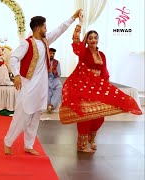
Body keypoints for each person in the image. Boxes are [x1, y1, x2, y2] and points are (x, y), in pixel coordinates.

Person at [59, 12, 142, 152]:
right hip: (84, 87)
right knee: (85, 114)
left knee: (99, 116)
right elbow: (75, 41)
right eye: (90, 38)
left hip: (98, 86)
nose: (93, 40)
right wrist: (79, 24)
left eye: (95, 38)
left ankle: (92, 139)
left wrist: (107, 86)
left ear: (98, 39)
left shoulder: (101, 54)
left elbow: (104, 71)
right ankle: (82, 144)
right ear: (86, 40)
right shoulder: (83, 52)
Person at [3, 9, 82, 156]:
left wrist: (73, 17)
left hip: (41, 87)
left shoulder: (46, 41)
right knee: (23, 116)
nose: (47, 30)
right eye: (45, 27)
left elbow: (60, 30)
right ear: (38, 28)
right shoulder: (26, 44)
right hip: (27, 85)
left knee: (35, 116)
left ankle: (28, 145)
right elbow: (13, 58)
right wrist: (17, 75)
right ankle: (8, 142)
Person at [47, 48, 62, 113]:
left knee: (60, 86)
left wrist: (54, 71)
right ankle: (47, 105)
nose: (52, 55)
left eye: (53, 54)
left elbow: (59, 74)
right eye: (50, 53)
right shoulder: (44, 62)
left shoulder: (57, 62)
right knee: (45, 88)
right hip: (45, 79)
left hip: (54, 79)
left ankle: (52, 104)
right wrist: (47, 71)